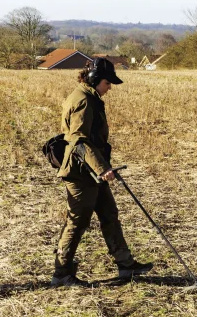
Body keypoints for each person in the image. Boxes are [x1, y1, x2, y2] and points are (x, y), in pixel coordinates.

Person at [53, 57, 153, 286]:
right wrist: (102, 168)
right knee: (77, 222)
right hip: (81, 172)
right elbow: (79, 139)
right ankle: (62, 273)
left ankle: (126, 266)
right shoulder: (84, 101)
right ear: (95, 79)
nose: (109, 88)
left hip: (91, 170)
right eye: (108, 83)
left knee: (109, 214)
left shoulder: (87, 96)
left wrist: (100, 168)